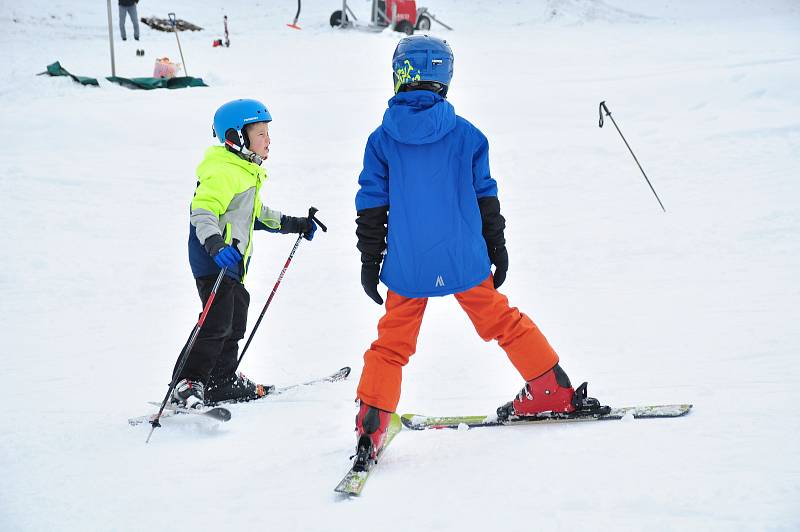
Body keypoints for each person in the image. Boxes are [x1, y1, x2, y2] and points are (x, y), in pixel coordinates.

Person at [352, 35, 603, 463]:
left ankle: (371, 424)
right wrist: (497, 246)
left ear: (399, 75)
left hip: (409, 264)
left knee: (392, 342)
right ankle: (551, 389)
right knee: (502, 320)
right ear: (444, 76)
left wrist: (370, 258)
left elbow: (372, 204)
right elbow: (486, 196)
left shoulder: (381, 141)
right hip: (464, 258)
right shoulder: (468, 135)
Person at [170, 99, 317, 408]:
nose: (268, 140)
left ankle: (220, 381)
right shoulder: (224, 171)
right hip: (213, 260)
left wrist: (295, 224)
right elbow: (203, 210)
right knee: (215, 321)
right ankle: (187, 382)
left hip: (232, 263)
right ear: (236, 137)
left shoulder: (245, 172)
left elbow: (256, 214)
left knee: (235, 318)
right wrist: (214, 244)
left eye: (268, 133)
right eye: (261, 133)